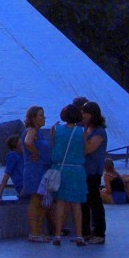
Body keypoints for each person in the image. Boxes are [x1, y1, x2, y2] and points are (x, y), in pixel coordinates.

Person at [49, 103, 87, 246]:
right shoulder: (81, 131)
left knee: (60, 203)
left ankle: (57, 235)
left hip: (61, 169)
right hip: (77, 170)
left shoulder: (56, 130)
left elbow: (54, 146)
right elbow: (84, 149)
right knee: (76, 204)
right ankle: (79, 235)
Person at [21, 105, 52, 243]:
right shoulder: (31, 130)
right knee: (36, 200)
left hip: (42, 169)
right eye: (41, 115)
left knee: (41, 201)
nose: (44, 117)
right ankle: (34, 232)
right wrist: (35, 153)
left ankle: (38, 232)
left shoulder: (39, 132)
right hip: (35, 170)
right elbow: (28, 142)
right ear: (33, 118)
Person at [81, 100, 108, 244]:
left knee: (94, 201)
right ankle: (86, 232)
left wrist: (83, 139)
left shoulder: (99, 132)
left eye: (86, 113)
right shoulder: (87, 130)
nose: (83, 116)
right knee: (83, 202)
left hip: (93, 171)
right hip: (84, 171)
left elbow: (88, 149)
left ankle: (99, 233)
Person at [0, 135, 23, 200]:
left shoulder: (23, 155)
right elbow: (7, 174)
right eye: (21, 145)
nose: (23, 147)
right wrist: (0, 193)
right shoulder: (12, 155)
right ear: (15, 146)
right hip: (22, 186)